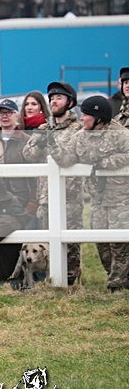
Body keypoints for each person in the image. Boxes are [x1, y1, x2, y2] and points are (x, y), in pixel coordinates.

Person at [23, 81, 84, 284]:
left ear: (70, 102)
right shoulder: (43, 127)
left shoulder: (79, 129)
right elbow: (28, 155)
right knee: (47, 242)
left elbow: (68, 159)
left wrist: (50, 141)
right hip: (45, 196)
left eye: (58, 98)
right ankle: (48, 279)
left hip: (70, 196)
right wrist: (40, 143)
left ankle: (71, 282)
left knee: (71, 245)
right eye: (51, 98)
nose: (54, 102)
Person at [71, 96, 129, 291]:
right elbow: (69, 156)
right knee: (101, 241)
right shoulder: (80, 136)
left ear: (98, 118)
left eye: (86, 114)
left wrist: (106, 163)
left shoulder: (121, 135)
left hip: (120, 197)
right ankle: (115, 277)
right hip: (97, 197)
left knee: (119, 243)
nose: (82, 118)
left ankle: (117, 284)